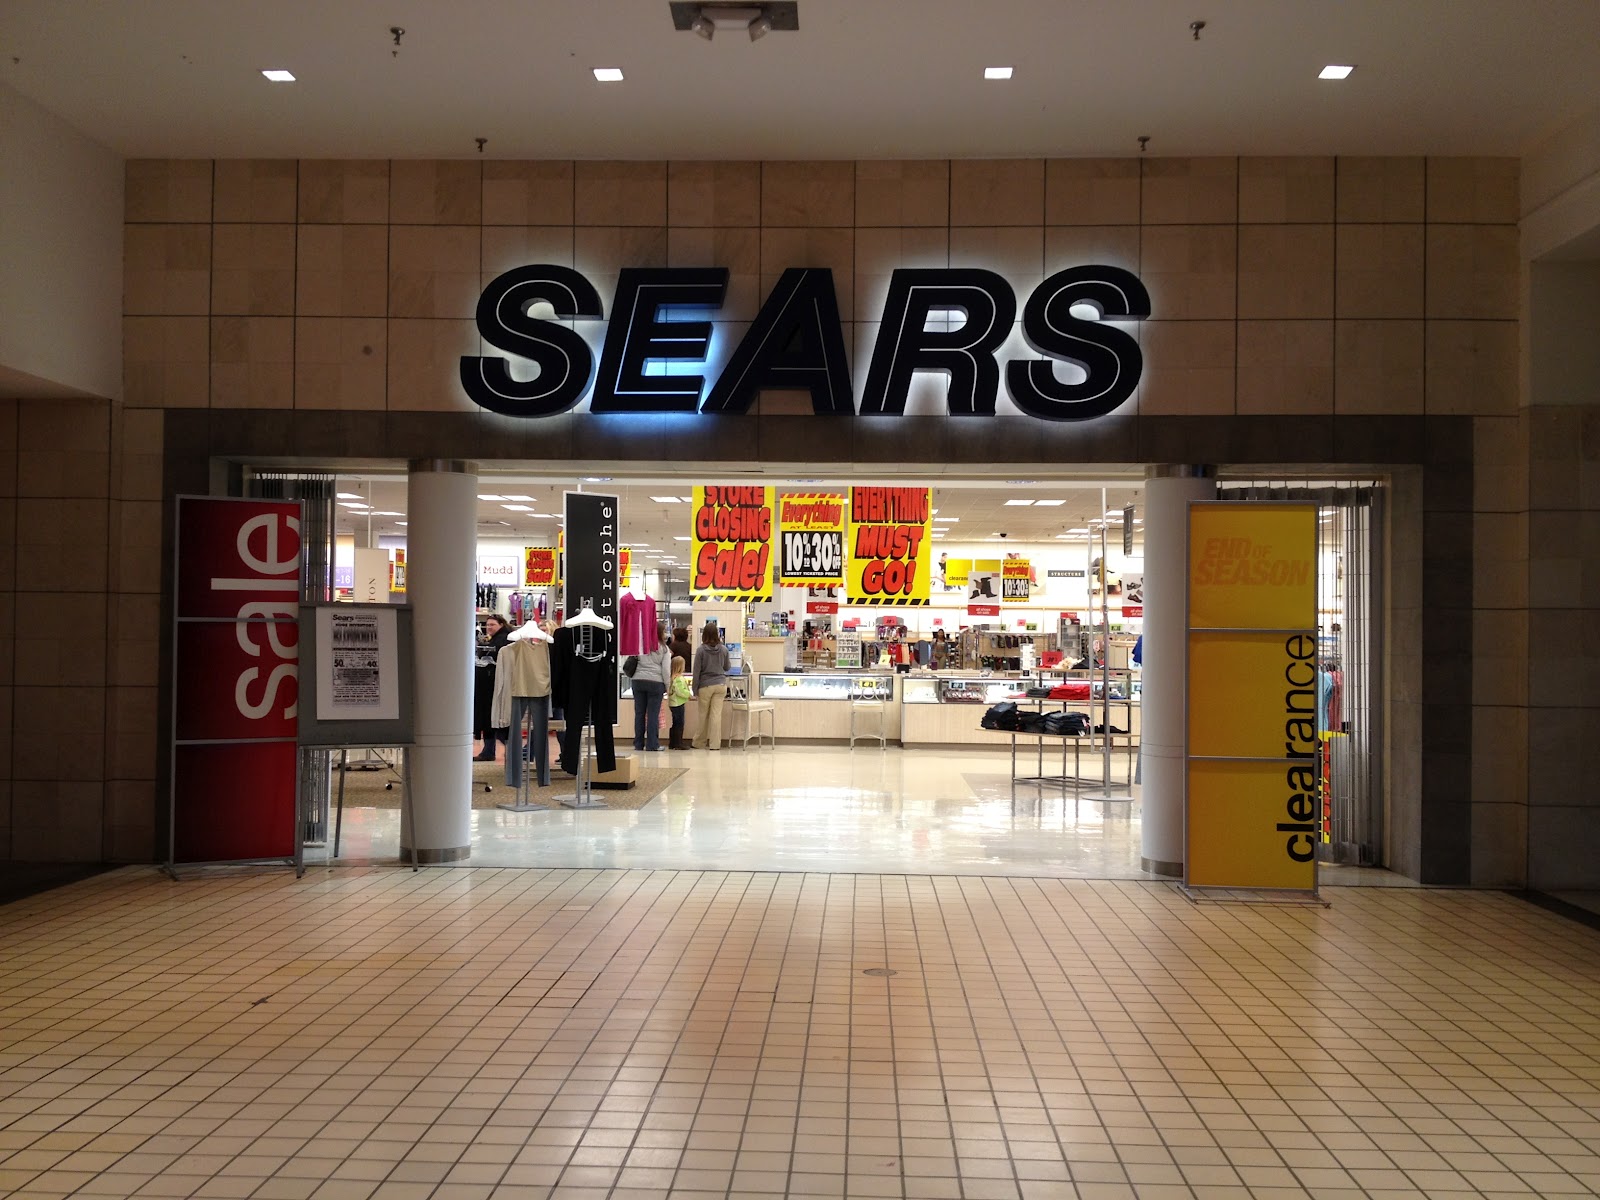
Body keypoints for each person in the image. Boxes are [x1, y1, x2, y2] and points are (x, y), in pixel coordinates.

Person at [474, 614, 512, 761]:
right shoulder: (495, 639)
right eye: (487, 625)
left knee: (493, 719)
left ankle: (495, 750)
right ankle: (490, 750)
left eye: (492, 625)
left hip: (494, 686)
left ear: (501, 624)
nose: (488, 627)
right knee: (490, 719)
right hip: (490, 686)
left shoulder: (504, 640)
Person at [630, 619, 671, 752]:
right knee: (653, 714)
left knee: (639, 713)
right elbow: (666, 670)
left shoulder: (639, 645)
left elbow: (630, 659)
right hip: (655, 683)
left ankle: (638, 744)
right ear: (659, 633)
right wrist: (667, 685)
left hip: (638, 681)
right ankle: (652, 744)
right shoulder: (664, 649)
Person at [691, 621, 731, 751]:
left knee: (703, 715)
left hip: (705, 686)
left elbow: (696, 671)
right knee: (716, 715)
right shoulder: (724, 649)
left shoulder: (701, 650)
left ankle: (699, 742)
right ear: (717, 634)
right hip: (720, 685)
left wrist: (694, 689)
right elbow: (727, 667)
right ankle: (715, 744)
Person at [668, 655, 691, 749]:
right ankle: (678, 743)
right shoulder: (678, 679)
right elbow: (680, 691)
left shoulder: (672, 678)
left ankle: (673, 743)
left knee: (675, 723)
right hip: (678, 703)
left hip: (673, 703)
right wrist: (689, 694)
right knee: (679, 723)